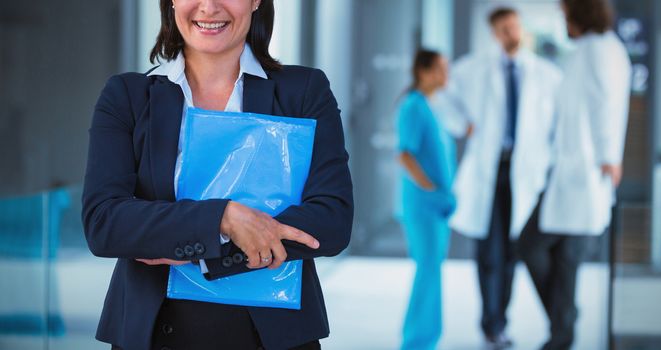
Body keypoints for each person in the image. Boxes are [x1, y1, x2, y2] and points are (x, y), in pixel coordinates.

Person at [81, 0, 353, 349]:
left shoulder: (302, 92)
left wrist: (200, 247)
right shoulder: (129, 97)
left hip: (272, 338)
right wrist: (222, 218)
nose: (209, 7)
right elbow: (105, 223)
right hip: (154, 332)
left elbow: (330, 222)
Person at [436, 7, 562, 348]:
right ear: (494, 33)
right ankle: (492, 325)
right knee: (488, 252)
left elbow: (557, 125)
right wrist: (464, 125)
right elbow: (441, 95)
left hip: (526, 173)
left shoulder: (546, 74)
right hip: (489, 172)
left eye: (514, 27)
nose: (511, 33)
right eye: (504, 29)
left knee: (511, 252)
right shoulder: (473, 69)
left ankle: (500, 321)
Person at [518, 0, 631, 349]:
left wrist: (610, 156)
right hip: (568, 172)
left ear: (580, 13)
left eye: (565, 13)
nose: (562, 19)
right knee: (553, 256)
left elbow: (606, 103)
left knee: (540, 248)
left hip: (588, 172)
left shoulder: (601, 50)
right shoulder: (586, 50)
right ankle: (562, 324)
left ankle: (561, 330)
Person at [395, 49, 456, 350]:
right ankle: (417, 342)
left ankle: (426, 338)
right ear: (424, 71)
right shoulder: (413, 107)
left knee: (431, 270)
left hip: (436, 206)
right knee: (428, 270)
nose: (447, 75)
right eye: (442, 69)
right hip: (423, 206)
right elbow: (404, 154)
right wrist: (430, 189)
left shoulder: (430, 106)